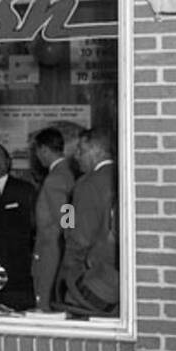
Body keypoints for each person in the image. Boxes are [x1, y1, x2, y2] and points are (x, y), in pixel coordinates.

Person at [60, 128, 119, 315]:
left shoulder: (87, 183)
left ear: (97, 151)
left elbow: (78, 236)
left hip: (91, 280)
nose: (76, 156)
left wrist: (65, 224)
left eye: (81, 150)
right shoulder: (122, 176)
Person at [0, 144, 36, 310]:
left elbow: (66, 211)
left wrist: (67, 227)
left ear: (8, 162)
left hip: (17, 268)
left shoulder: (24, 189)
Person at [31, 126, 76, 311]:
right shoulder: (67, 173)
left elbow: (66, 220)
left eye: (36, 150)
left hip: (52, 249)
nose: (37, 156)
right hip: (58, 247)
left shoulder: (55, 178)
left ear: (43, 149)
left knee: (45, 303)